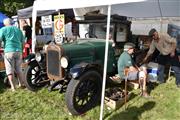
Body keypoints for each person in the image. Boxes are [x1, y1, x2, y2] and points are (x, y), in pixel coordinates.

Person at [0, 18, 25, 91]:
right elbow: (23, 42)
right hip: (18, 51)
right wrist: (21, 50)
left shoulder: (3, 29)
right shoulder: (18, 30)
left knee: (9, 70)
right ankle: (21, 84)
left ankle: (13, 87)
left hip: (8, 51)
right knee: (19, 69)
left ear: (5, 24)